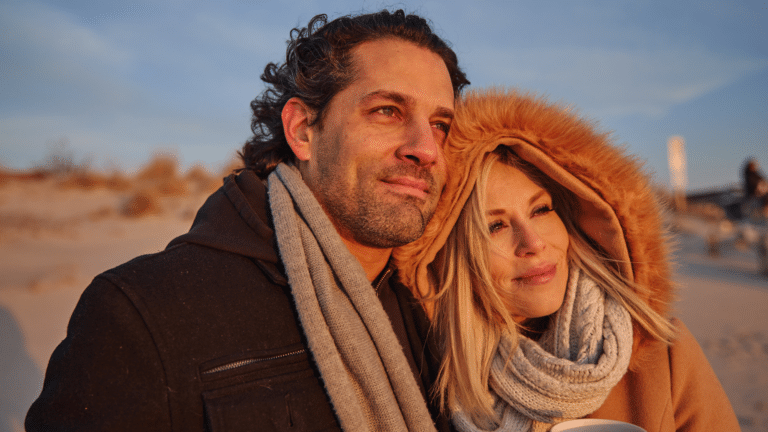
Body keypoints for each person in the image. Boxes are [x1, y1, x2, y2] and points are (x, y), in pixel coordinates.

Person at [26, 10, 469, 432]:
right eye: (387, 111)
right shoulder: (143, 313)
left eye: (440, 125)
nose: (425, 149)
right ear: (302, 130)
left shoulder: (440, 306)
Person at [395, 88, 740, 431]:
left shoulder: (664, 356)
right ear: (454, 258)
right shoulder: (425, 382)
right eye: (495, 226)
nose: (533, 243)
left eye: (541, 209)